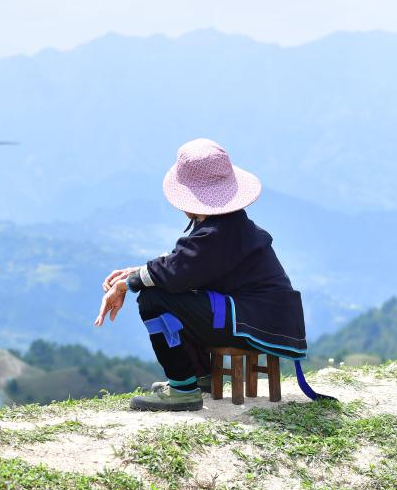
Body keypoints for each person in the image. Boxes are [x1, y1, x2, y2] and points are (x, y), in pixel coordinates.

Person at [95, 138, 310, 411]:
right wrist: (137, 273)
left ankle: (183, 389)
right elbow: (186, 265)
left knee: (153, 299)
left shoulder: (217, 231)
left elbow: (177, 273)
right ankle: (198, 377)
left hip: (255, 320)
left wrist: (128, 284)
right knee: (170, 292)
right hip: (266, 317)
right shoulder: (228, 224)